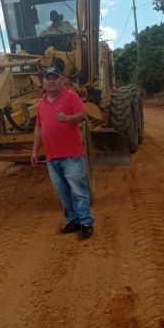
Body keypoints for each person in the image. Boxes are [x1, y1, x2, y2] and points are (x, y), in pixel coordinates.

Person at [31, 65, 94, 240]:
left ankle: (86, 223)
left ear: (61, 80)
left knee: (78, 190)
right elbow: (38, 127)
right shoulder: (42, 103)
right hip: (52, 158)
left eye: (55, 77)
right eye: (48, 78)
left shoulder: (70, 96)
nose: (51, 81)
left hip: (71, 156)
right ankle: (73, 220)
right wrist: (35, 151)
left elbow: (82, 115)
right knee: (63, 193)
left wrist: (66, 119)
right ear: (43, 82)